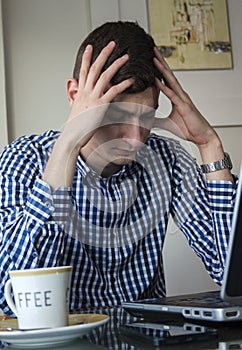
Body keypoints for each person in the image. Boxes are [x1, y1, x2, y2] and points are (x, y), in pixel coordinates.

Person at [0, 21, 237, 315]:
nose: (136, 140)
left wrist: (209, 144)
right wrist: (69, 145)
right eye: (118, 116)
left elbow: (233, 276)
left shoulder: (168, 159)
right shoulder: (23, 160)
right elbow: (14, 305)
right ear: (75, 97)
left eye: (147, 117)